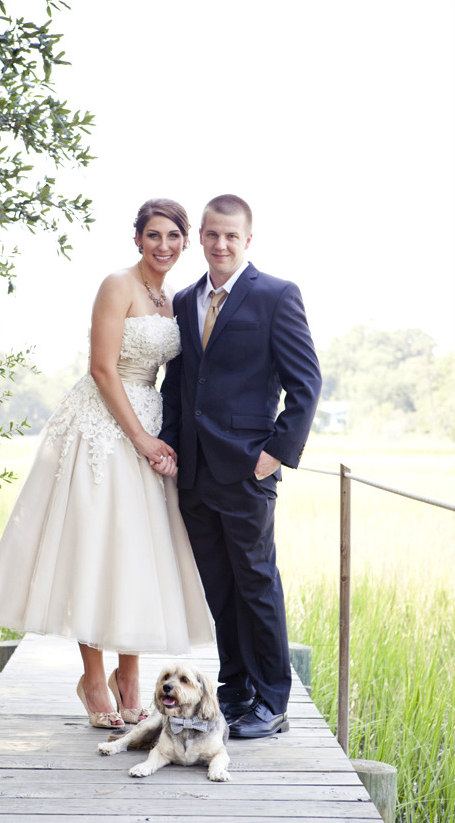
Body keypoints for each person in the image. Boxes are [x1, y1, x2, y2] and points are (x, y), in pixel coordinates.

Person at [0, 198, 214, 729]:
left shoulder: (173, 299)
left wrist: (163, 436)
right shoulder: (117, 285)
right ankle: (93, 678)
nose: (164, 246)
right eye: (154, 235)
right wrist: (140, 438)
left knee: (137, 552)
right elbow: (102, 369)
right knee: (95, 546)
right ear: (137, 239)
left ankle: (131, 678)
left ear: (185, 241)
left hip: (150, 420)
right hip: (104, 427)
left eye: (174, 237)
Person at [156, 194, 322, 739]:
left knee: (256, 583)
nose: (221, 244)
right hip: (196, 473)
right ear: (200, 238)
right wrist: (172, 448)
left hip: (248, 468)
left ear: (247, 240)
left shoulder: (276, 295)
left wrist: (274, 454)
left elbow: (305, 384)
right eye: (212, 235)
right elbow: (180, 387)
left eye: (232, 236)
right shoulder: (184, 300)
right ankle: (235, 692)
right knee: (219, 589)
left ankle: (273, 702)